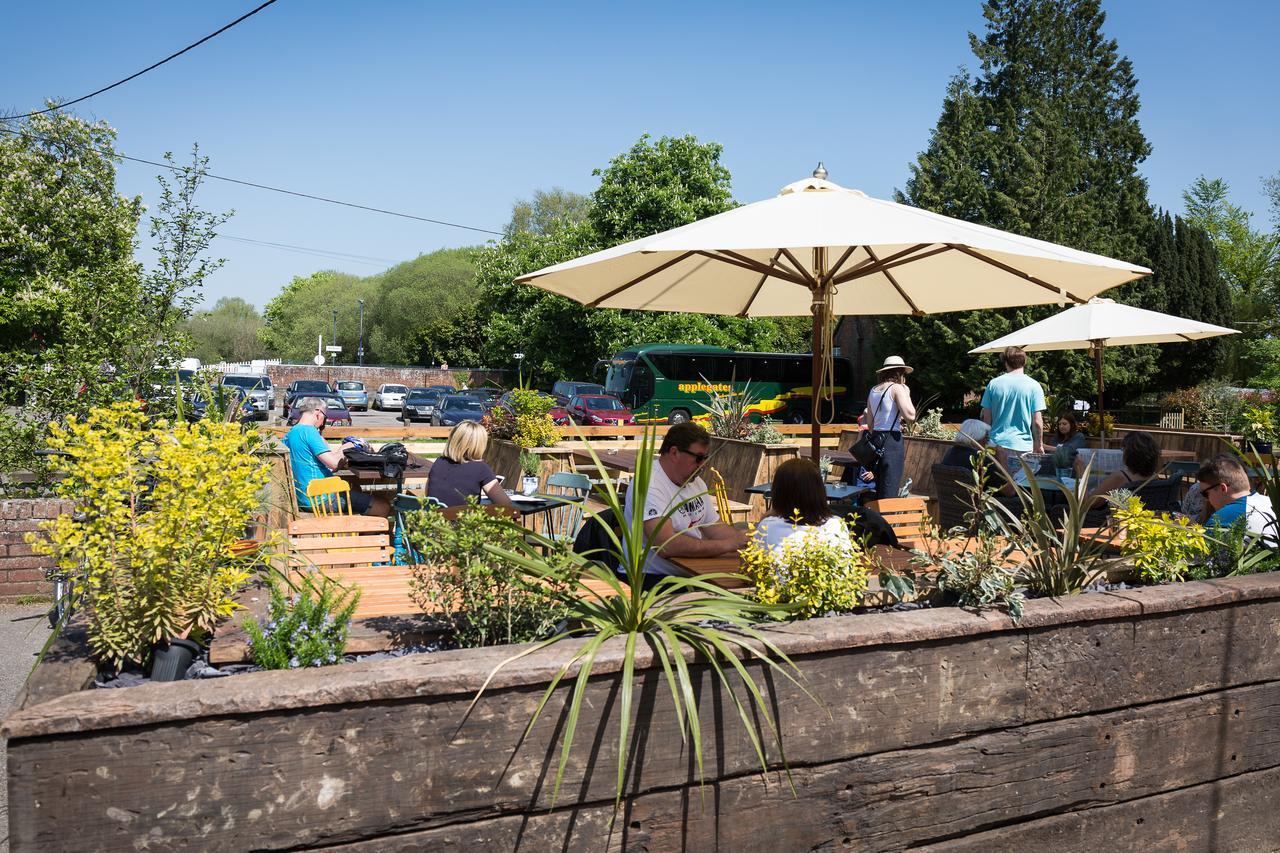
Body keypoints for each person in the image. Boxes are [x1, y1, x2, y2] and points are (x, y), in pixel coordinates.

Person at [622, 422, 746, 585]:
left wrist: (745, 541)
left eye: (705, 458)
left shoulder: (696, 482)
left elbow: (714, 527)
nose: (703, 464)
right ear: (674, 452)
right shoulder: (649, 483)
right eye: (699, 458)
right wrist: (728, 544)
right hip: (650, 580)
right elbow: (666, 545)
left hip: (688, 574)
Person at [282, 397, 389, 516]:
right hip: (320, 498)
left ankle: (356, 529)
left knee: (356, 488)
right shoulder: (309, 431)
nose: (323, 422)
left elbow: (330, 466)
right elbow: (333, 463)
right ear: (318, 412)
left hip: (303, 498)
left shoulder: (290, 434)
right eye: (325, 416)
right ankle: (364, 533)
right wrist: (349, 446)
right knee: (383, 506)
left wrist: (342, 450)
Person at [753, 458, 854, 561]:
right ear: (819, 491)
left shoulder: (768, 527)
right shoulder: (836, 525)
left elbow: (750, 567)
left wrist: (766, 516)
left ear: (778, 492)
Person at [863, 356, 916, 501]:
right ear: (900, 373)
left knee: (879, 487)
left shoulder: (873, 390)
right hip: (892, 441)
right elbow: (911, 415)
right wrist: (906, 393)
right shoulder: (897, 388)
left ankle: (878, 520)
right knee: (890, 489)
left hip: (876, 439)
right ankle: (887, 521)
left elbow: (870, 424)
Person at [980, 346, 1046, 464]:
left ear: (1006, 362)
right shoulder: (1034, 386)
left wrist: (984, 441)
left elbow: (986, 419)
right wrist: (1039, 444)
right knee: (1020, 482)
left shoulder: (993, 384)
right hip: (1023, 447)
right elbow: (1037, 421)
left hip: (996, 445)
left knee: (996, 481)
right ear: (1024, 362)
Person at [427, 421, 515, 509]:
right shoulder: (481, 468)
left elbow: (429, 494)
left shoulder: (439, 462)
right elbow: (506, 505)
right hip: (463, 521)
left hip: (433, 520)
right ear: (480, 444)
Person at [1196, 454, 1278, 545]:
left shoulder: (1223, 516)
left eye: (1205, 493)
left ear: (1223, 488)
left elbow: (1202, 556)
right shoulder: (1271, 503)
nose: (1206, 499)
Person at [939, 418, 1014, 495]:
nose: (988, 442)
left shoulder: (951, 453)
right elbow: (1010, 491)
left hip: (952, 503)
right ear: (978, 438)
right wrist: (1003, 461)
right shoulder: (981, 461)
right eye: (987, 438)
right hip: (983, 505)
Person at [1082, 430, 1161, 500]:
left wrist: (1082, 474)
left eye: (1123, 449)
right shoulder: (1154, 477)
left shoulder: (1120, 477)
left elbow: (1088, 503)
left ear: (1130, 454)